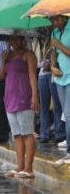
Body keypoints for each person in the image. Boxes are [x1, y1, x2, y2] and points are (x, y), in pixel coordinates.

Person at [0, 33, 39, 179]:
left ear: (23, 39)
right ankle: (20, 166)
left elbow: (32, 76)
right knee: (16, 135)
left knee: (27, 133)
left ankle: (29, 169)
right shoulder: (8, 56)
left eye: (18, 39)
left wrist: (34, 96)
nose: (14, 41)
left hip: (24, 98)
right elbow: (1, 76)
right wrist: (3, 61)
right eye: (12, 39)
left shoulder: (28, 55)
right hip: (10, 99)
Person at [37, 36, 65, 144]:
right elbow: (36, 60)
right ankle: (44, 134)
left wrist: (52, 64)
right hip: (42, 74)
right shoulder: (37, 41)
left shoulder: (57, 38)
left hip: (54, 74)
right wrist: (43, 64)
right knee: (44, 106)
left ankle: (59, 133)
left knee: (57, 105)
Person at [50, 16, 70, 163]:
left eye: (57, 20)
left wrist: (60, 45)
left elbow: (61, 48)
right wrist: (52, 66)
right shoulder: (54, 32)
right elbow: (53, 52)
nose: (55, 23)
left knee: (68, 115)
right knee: (65, 114)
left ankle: (69, 151)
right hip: (59, 78)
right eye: (53, 21)